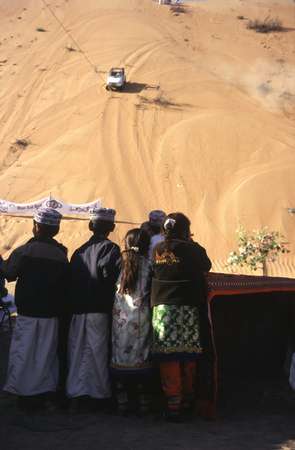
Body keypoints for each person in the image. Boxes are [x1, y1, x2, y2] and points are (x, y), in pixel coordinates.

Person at [0, 207, 68, 410]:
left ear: (36, 227)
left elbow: (10, 273)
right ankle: (42, 394)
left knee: (23, 352)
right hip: (51, 314)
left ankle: (22, 394)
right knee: (45, 354)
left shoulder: (24, 251)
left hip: (28, 313)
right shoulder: (61, 255)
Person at [151, 212, 212, 422]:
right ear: (185, 230)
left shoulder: (156, 249)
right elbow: (206, 265)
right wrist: (191, 242)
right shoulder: (192, 249)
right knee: (187, 355)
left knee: (168, 357)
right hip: (186, 309)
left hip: (162, 310)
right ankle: (187, 399)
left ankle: (172, 404)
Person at [66, 207, 121, 409]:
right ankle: (99, 397)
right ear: (112, 228)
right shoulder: (112, 249)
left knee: (77, 351)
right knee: (97, 352)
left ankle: (76, 394)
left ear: (90, 226)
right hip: (99, 310)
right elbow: (112, 280)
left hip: (78, 310)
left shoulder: (78, 251)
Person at [111, 228, 153, 415]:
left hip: (120, 319)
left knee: (120, 357)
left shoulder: (119, 262)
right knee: (141, 357)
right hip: (141, 319)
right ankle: (144, 403)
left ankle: (122, 403)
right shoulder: (149, 264)